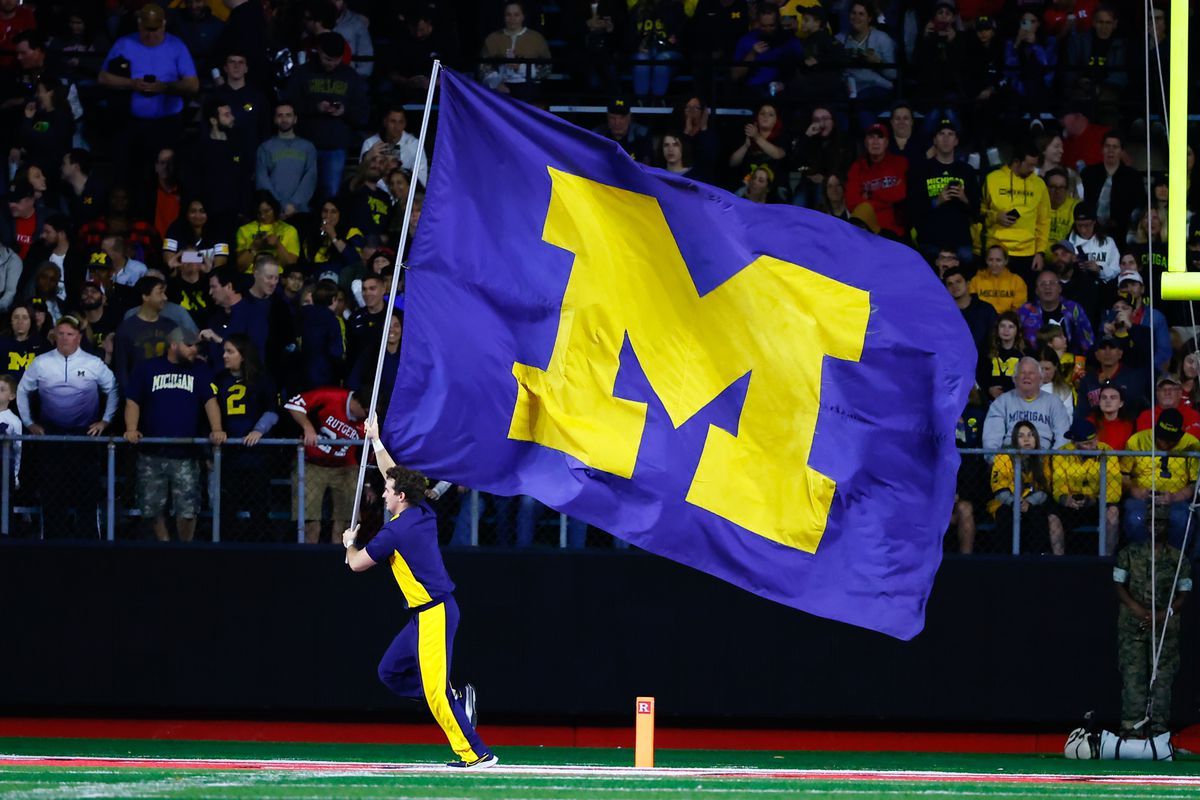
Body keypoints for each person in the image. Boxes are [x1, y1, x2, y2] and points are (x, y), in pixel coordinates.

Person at [343, 416, 496, 769]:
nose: (382, 491)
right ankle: (458, 700)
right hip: (425, 615)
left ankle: (475, 754)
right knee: (391, 672)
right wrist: (377, 441)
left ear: (399, 497)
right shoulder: (422, 510)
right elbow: (392, 472)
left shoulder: (393, 533)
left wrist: (349, 544)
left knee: (434, 692)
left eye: (387, 489)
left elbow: (356, 565)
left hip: (434, 612)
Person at [16, 315, 118, 538]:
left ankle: (89, 542)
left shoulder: (93, 363)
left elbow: (113, 390)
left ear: (79, 337)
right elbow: (22, 391)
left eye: (70, 334)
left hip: (84, 438)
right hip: (51, 437)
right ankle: (52, 541)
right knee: (52, 493)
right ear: (54, 336)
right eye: (60, 334)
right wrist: (29, 423)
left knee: (87, 494)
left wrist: (105, 421)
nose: (64, 338)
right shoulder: (41, 362)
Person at [124, 326, 224, 542]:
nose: (193, 350)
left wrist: (217, 429)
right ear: (174, 345)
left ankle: (184, 549)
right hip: (151, 451)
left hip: (186, 452)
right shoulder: (147, 368)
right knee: (151, 507)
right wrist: (131, 428)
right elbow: (133, 400)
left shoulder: (199, 369)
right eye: (189, 346)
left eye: (195, 346)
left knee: (188, 509)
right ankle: (165, 546)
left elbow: (210, 401)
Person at [97, 3, 199, 198]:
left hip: (165, 124)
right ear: (139, 25)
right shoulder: (124, 44)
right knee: (128, 176)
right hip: (130, 123)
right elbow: (103, 77)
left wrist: (166, 87)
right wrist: (131, 83)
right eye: (146, 30)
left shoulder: (176, 46)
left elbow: (193, 85)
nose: (151, 35)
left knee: (164, 177)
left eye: (155, 30)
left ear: (163, 25)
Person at [1114, 533, 1190, 736]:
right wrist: (1136, 608)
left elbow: (1184, 593)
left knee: (1162, 680)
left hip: (1165, 629)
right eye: (1152, 522)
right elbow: (1119, 585)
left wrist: (1164, 614)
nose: (1156, 526)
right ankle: (1131, 730)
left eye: (1160, 522)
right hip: (1133, 626)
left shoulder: (1178, 557)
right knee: (1133, 677)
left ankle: (1159, 731)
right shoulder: (1128, 553)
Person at [283, 31, 368, 199]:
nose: (332, 64)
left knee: (330, 197)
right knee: (299, 196)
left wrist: (344, 111)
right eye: (328, 59)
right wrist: (315, 107)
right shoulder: (303, 73)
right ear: (319, 51)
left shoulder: (350, 76)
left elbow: (363, 113)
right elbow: (288, 106)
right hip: (303, 146)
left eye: (336, 59)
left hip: (335, 148)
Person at [214, 333, 278, 541]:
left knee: (259, 505)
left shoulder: (261, 379)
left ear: (243, 355)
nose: (225, 356)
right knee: (228, 505)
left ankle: (259, 546)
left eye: (230, 351)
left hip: (256, 456)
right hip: (229, 455)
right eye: (224, 351)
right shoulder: (219, 380)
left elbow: (272, 409)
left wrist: (258, 430)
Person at [284, 384, 367, 544]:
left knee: (345, 525)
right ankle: (307, 563)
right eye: (366, 411)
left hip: (346, 468)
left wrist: (368, 484)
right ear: (357, 403)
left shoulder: (368, 421)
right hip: (312, 465)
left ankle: (342, 564)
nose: (367, 417)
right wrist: (308, 427)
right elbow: (293, 404)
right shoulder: (331, 396)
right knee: (311, 524)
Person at [1120, 408, 1199, 551]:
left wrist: (1175, 497)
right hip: (1142, 497)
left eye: (1170, 441)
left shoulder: (1191, 444)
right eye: (1162, 439)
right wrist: (1137, 491)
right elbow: (1124, 476)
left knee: (1181, 520)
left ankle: (1173, 561)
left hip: (1176, 498)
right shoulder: (1137, 440)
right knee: (1135, 519)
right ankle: (1142, 558)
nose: (1165, 444)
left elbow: (1194, 484)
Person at [907, 118, 977, 263]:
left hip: (961, 241)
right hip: (930, 241)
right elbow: (913, 208)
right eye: (941, 134)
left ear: (956, 141)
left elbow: (977, 210)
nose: (946, 138)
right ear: (935, 140)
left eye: (950, 134)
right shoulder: (921, 170)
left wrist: (964, 199)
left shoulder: (967, 171)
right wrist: (936, 202)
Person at [981, 142, 1050, 291]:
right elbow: (979, 212)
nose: (1033, 170)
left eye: (1034, 166)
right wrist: (995, 217)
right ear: (1017, 162)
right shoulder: (992, 179)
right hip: (997, 250)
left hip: (1027, 253)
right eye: (1029, 165)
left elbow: (1043, 221)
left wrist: (1040, 253)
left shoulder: (1039, 184)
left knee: (1023, 300)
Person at [988, 420, 1062, 554]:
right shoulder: (1003, 456)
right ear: (1015, 440)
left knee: (1038, 514)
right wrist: (1015, 502)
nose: (1027, 439)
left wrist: (1029, 502)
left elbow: (1044, 487)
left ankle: (1035, 558)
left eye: (1030, 435)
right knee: (1004, 514)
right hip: (1007, 503)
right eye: (1021, 436)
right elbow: (999, 487)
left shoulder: (1042, 458)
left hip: (1031, 502)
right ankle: (1003, 560)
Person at [1051, 417, 1122, 554]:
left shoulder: (1107, 452)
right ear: (1074, 443)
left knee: (1113, 513)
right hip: (1072, 503)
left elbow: (1114, 489)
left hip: (1097, 501)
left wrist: (1096, 500)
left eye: (1095, 440)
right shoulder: (1062, 454)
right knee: (1053, 516)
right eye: (1087, 444)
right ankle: (1057, 561)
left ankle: (1107, 560)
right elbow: (1059, 484)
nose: (1094, 446)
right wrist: (1065, 499)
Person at [982, 356, 1071, 451]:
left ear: (1040, 379)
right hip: (1010, 457)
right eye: (1022, 373)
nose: (1026, 377)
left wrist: (1053, 461)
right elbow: (991, 439)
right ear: (1015, 379)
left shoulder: (1054, 402)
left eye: (1031, 373)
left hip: (1043, 457)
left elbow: (1063, 437)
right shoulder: (1002, 402)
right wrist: (996, 461)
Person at [844, 123, 907, 238]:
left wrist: (871, 194)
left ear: (887, 142)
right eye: (871, 137)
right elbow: (852, 203)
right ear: (865, 142)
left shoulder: (899, 163)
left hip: (894, 232)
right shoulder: (857, 168)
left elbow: (901, 193)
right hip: (865, 231)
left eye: (880, 137)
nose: (875, 141)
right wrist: (888, 199)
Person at [113, 275, 176, 390]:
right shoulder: (125, 329)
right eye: (160, 293)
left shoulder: (172, 326)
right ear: (145, 296)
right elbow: (121, 371)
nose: (165, 298)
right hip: (139, 393)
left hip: (168, 390)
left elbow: (181, 359)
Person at [256, 103, 319, 218]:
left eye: (288, 115)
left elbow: (310, 178)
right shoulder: (265, 147)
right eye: (280, 115)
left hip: (300, 211)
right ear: (275, 119)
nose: (284, 119)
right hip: (273, 212)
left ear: (295, 119)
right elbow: (262, 180)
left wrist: (294, 204)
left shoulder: (308, 147)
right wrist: (278, 205)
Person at [478, 2, 551, 100]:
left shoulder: (536, 38)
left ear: (523, 17)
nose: (512, 19)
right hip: (500, 86)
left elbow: (546, 67)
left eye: (516, 15)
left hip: (528, 86)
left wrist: (522, 68)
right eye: (508, 15)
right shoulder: (492, 39)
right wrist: (495, 84)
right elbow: (484, 67)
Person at [1018, 269, 1095, 355]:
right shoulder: (1026, 311)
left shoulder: (1073, 308)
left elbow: (1087, 340)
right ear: (1036, 291)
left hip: (1071, 361)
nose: (1047, 287)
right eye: (1043, 284)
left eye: (1052, 283)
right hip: (1036, 362)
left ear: (1059, 288)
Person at [1081, 132, 1141, 241]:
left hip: (1121, 231)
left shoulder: (1133, 177)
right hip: (1090, 229)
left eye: (1115, 147)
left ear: (1121, 151)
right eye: (1107, 146)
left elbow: (1138, 205)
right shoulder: (1088, 173)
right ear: (1102, 149)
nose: (1111, 150)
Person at [359, 106, 428, 188]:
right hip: (376, 193)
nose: (397, 126)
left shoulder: (415, 145)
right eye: (393, 121)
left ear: (405, 124)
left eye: (401, 122)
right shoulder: (370, 143)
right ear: (385, 122)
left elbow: (421, 177)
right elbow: (363, 175)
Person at [236, 192, 300, 271]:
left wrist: (278, 245)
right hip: (251, 276)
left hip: (278, 276)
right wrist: (254, 247)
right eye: (259, 213)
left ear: (274, 209)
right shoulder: (244, 230)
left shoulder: (289, 230)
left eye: (267, 211)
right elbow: (240, 267)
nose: (263, 216)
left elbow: (291, 268)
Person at [943, 267, 995, 364]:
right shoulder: (944, 313)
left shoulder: (986, 309)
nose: (954, 286)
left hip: (984, 365)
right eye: (950, 284)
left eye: (958, 281)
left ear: (967, 284)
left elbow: (994, 340)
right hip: (953, 366)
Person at [969, 244, 1027, 315]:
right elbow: (973, 306)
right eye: (990, 260)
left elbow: (1018, 308)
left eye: (998, 260)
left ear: (1006, 261)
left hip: (1008, 320)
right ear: (986, 260)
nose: (994, 264)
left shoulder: (1017, 281)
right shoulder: (975, 281)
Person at [1135, 376, 1200, 437]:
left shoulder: (1193, 415)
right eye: (1163, 389)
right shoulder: (1146, 416)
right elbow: (1147, 441)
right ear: (1157, 393)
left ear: (1180, 393)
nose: (1167, 392)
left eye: (1172, 389)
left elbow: (1192, 440)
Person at [593, 98, 653, 164]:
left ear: (629, 117)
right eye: (613, 118)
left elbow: (647, 167)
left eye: (622, 118)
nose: (617, 122)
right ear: (607, 118)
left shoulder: (642, 135)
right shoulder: (597, 135)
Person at [0, 303, 44, 377]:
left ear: (31, 321)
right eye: (16, 317)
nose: (20, 321)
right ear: (11, 321)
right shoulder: (2, 343)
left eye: (25, 318)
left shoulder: (42, 344)